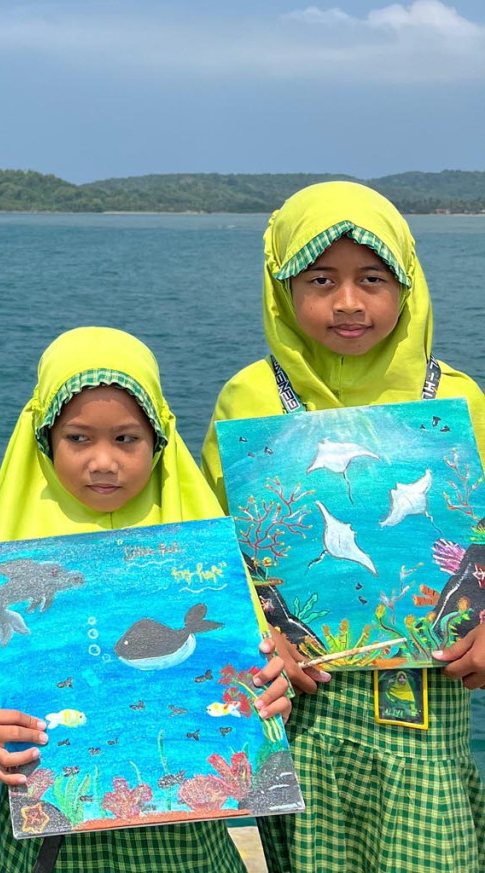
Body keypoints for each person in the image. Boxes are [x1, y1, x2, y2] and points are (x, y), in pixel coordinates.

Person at [201, 180, 485, 872]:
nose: (349, 302)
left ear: (407, 286)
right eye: (321, 279)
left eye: (374, 279)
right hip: (301, 713)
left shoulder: (456, 397)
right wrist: (252, 632)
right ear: (281, 288)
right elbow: (207, 544)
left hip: (425, 713)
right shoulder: (248, 399)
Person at [0, 327, 290, 872]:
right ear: (44, 441)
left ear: (158, 440)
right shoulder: (9, 556)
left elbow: (247, 684)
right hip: (46, 856)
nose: (103, 461)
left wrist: (271, 699)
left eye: (127, 439)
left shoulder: (202, 555)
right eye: (79, 439)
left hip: (188, 854)